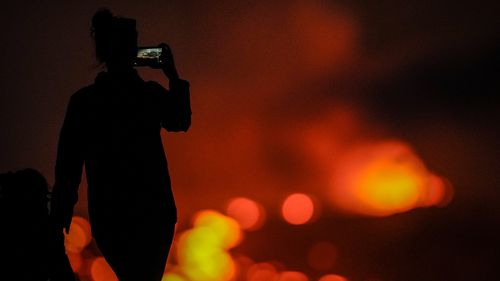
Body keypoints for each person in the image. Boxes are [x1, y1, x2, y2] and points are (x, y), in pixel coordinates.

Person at [50, 9, 191, 281]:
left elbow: (68, 167)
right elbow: (180, 120)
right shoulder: (148, 96)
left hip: (110, 214)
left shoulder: (85, 102)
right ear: (132, 52)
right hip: (154, 212)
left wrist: (59, 216)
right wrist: (173, 76)